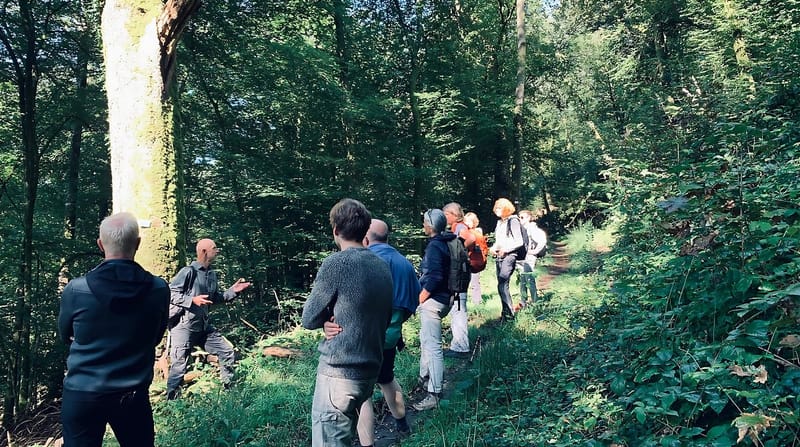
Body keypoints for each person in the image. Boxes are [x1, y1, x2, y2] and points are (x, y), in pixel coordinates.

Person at [58, 212, 169, 447]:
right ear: (138, 244)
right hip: (132, 394)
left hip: (82, 392)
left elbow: (65, 336)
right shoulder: (159, 289)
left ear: (100, 244)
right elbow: (156, 336)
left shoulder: (76, 290)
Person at [302, 199, 393, 447]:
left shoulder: (336, 264)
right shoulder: (382, 266)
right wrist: (329, 320)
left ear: (335, 230)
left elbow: (308, 317)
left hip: (339, 375)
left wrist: (322, 320)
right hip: (369, 371)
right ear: (365, 231)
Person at [324, 219, 420, 445]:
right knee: (387, 378)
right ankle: (402, 425)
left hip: (366, 337)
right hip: (390, 336)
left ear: (366, 238)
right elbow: (413, 301)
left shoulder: (368, 262)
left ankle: (368, 443)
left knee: (362, 393)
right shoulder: (404, 263)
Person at [166, 238, 251, 400]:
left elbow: (216, 299)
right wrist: (192, 300)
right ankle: (172, 403)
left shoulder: (212, 274)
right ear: (204, 252)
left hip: (203, 327)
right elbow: (170, 293)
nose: (217, 250)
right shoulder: (188, 272)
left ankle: (230, 392)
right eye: (214, 248)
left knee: (226, 351)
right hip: (183, 328)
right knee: (178, 366)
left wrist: (234, 291)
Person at [414, 208, 455, 411]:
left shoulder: (434, 247)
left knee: (434, 347)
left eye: (424, 222)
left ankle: (435, 393)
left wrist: (420, 299)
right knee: (428, 342)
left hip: (434, 302)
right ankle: (426, 378)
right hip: (446, 299)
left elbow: (435, 277)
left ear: (430, 225)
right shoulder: (447, 241)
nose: (423, 225)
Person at [442, 202, 475, 359]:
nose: (444, 217)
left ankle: (461, 347)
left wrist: (458, 254)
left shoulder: (460, 228)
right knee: (457, 307)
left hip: (459, 274)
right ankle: (459, 344)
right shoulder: (456, 228)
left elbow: (471, 238)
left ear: (453, 214)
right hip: (459, 273)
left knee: (459, 307)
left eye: (445, 214)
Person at [489, 198, 525, 321]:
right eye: (496, 208)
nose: (497, 210)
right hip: (499, 256)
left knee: (503, 281)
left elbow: (519, 241)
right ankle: (505, 313)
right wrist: (493, 248)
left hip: (510, 255)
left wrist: (507, 249)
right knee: (501, 285)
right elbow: (499, 241)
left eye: (500, 208)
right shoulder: (500, 223)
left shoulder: (513, 220)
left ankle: (509, 314)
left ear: (506, 209)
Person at [517, 210, 547, 307]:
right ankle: (523, 302)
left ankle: (535, 301)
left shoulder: (533, 229)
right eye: (519, 217)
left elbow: (542, 241)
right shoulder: (521, 229)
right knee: (522, 280)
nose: (520, 219)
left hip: (529, 257)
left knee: (529, 279)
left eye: (522, 217)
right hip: (521, 257)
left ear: (529, 218)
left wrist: (534, 252)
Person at [464, 212, 483, 305]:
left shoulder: (478, 231)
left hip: (475, 260)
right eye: (466, 221)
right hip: (465, 259)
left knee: (475, 281)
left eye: (469, 222)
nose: (467, 224)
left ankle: (477, 301)